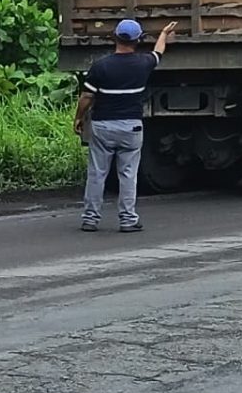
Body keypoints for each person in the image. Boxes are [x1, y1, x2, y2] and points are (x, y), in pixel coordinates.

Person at [75, 18, 177, 233]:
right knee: (128, 174)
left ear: (115, 37)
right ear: (138, 40)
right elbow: (159, 52)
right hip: (132, 128)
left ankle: (90, 219)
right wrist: (164, 34)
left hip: (103, 126)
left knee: (97, 174)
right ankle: (128, 220)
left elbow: (86, 96)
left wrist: (79, 117)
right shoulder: (143, 64)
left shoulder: (101, 66)